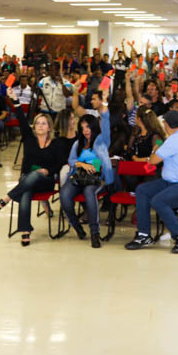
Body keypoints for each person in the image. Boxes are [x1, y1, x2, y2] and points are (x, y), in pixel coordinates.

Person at [0, 88, 66, 246]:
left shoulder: (56, 143)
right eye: (38, 123)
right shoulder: (29, 138)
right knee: (26, 189)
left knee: (36, 174)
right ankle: (25, 231)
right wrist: (15, 101)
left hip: (45, 180)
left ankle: (8, 197)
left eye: (44, 123)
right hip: (27, 179)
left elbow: (59, 164)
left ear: (49, 127)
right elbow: (21, 119)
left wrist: (47, 170)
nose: (40, 126)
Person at [125, 110, 178, 254]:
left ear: (167, 124)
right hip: (172, 182)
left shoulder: (176, 140)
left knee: (159, 201)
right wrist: (157, 149)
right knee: (142, 190)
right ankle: (144, 235)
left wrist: (156, 149)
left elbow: (153, 161)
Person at [59, 89, 111, 248]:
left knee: (89, 193)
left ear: (94, 127)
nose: (86, 131)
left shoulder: (102, 141)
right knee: (65, 197)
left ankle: (94, 233)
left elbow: (106, 119)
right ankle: (77, 227)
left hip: (96, 177)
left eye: (88, 127)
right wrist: (82, 164)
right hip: (78, 176)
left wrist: (105, 102)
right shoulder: (78, 143)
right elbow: (71, 160)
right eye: (83, 128)